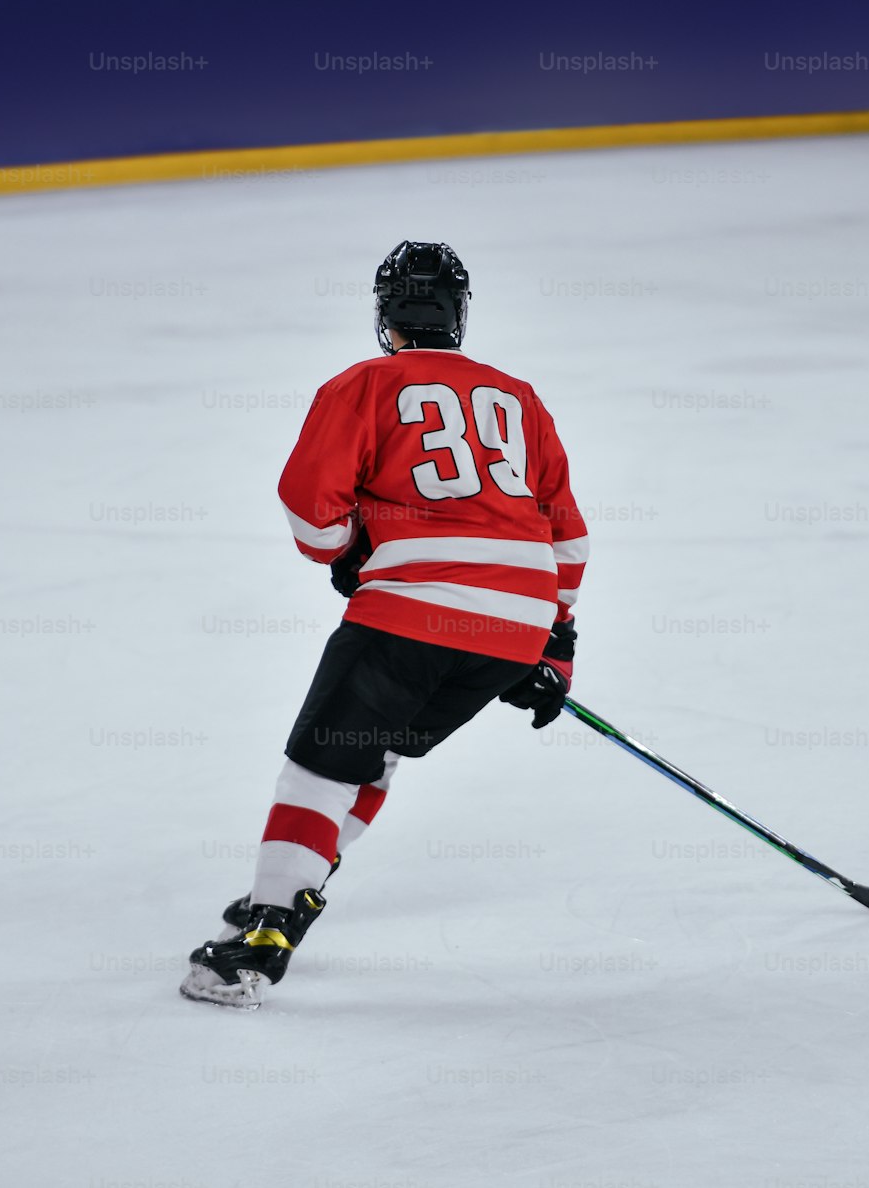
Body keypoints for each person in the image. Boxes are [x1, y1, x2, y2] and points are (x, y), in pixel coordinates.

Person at [181, 240, 588, 1008]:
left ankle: (266, 935)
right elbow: (566, 536)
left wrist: (343, 550)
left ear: (386, 318)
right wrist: (552, 646)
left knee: (323, 764)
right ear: (459, 316)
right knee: (378, 753)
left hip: (411, 613)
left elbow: (311, 509)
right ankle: (295, 882)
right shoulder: (518, 397)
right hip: (519, 622)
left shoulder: (363, 383)